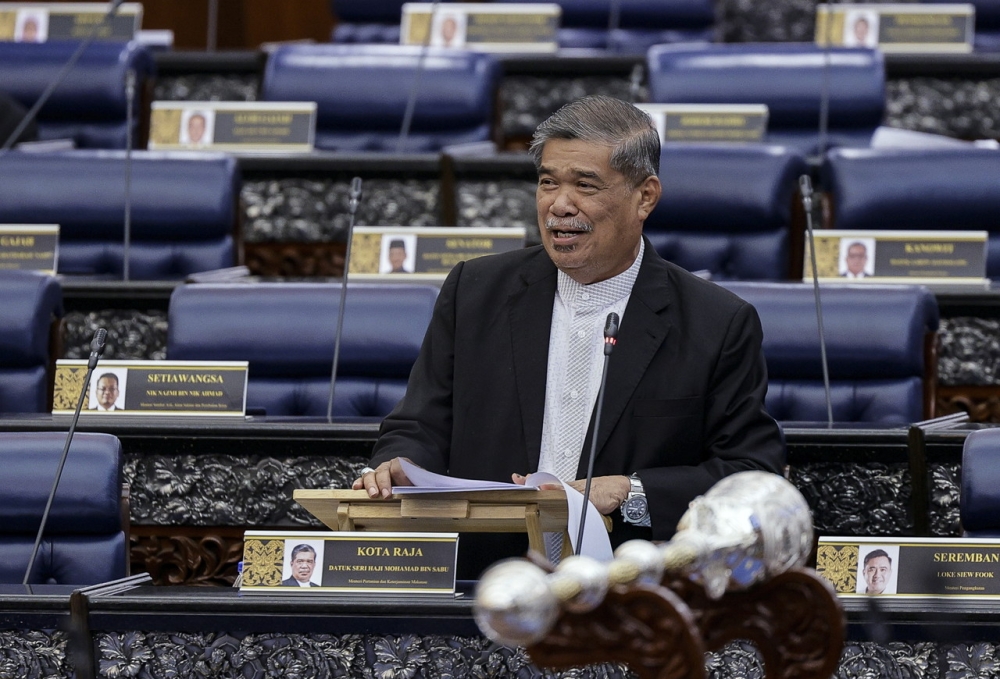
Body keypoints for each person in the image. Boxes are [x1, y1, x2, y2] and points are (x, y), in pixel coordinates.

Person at [354, 95, 785, 578]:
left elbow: (752, 475)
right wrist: (398, 462)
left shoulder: (716, 322)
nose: (559, 205)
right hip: (486, 581)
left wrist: (631, 490)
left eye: (585, 185)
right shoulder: (475, 292)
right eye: (547, 183)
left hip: (631, 594)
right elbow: (419, 423)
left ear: (645, 196)